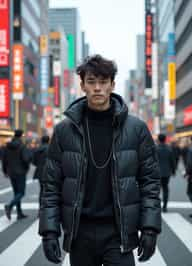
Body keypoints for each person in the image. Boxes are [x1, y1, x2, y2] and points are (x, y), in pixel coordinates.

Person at [39, 55, 161, 266]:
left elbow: (150, 182)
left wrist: (149, 228)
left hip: (118, 232)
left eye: (103, 82)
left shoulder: (136, 129)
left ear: (112, 85)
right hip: (80, 233)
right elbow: (51, 185)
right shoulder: (64, 131)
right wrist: (49, 232)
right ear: (83, 85)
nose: (97, 88)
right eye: (91, 82)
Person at [2, 129, 31, 220]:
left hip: (11, 172)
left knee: (16, 193)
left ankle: (19, 213)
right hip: (20, 172)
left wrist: (5, 171)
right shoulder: (22, 146)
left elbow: (4, 160)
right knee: (21, 193)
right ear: (21, 135)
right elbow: (26, 159)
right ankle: (9, 206)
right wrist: (27, 168)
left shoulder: (7, 146)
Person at [156, 134, 176, 213]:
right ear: (165, 139)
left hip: (157, 172)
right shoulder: (169, 149)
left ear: (158, 139)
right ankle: (165, 206)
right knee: (165, 189)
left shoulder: (155, 149)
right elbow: (172, 161)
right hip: (167, 172)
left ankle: (157, 206)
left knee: (157, 190)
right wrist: (173, 171)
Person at [32, 135, 49, 206]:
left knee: (41, 190)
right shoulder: (50, 148)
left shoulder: (37, 149)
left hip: (39, 171)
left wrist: (38, 165)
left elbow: (33, 161)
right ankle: (44, 208)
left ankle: (40, 207)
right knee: (47, 191)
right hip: (48, 171)